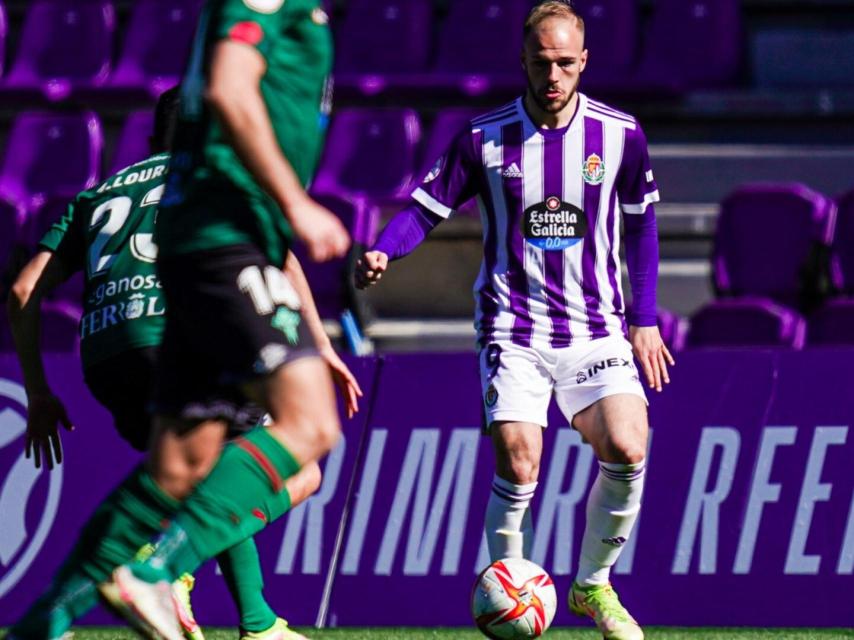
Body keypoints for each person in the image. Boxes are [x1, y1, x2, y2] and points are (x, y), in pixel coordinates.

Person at [355, 2, 674, 639]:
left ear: (584, 61)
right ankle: (508, 583)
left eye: (564, 63)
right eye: (541, 61)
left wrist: (645, 318)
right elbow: (425, 207)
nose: (552, 75)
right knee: (519, 457)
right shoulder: (483, 137)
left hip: (597, 327)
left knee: (628, 444)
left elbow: (641, 227)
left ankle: (591, 586)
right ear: (522, 60)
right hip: (514, 328)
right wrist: (385, 248)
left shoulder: (620, 135)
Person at [5, 88, 359, 640]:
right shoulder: (218, 175)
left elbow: (24, 292)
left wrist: (39, 393)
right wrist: (321, 346)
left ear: (151, 138)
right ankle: (184, 578)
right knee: (301, 465)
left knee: (206, 469)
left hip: (104, 352)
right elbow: (281, 259)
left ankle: (56, 620)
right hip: (184, 332)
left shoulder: (97, 192)